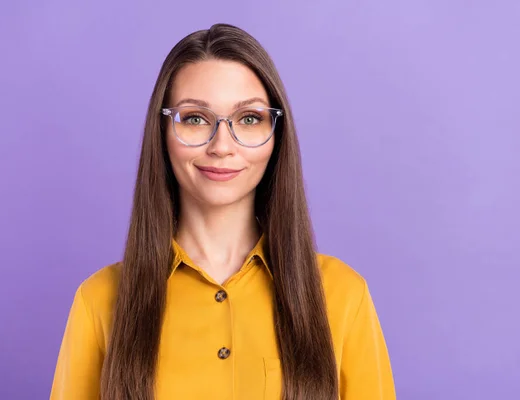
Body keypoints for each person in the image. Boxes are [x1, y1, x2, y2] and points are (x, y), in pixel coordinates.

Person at [50, 23, 395, 400]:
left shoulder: (343, 295)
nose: (222, 145)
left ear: (276, 135)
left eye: (249, 119)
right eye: (196, 118)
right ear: (162, 132)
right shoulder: (99, 300)